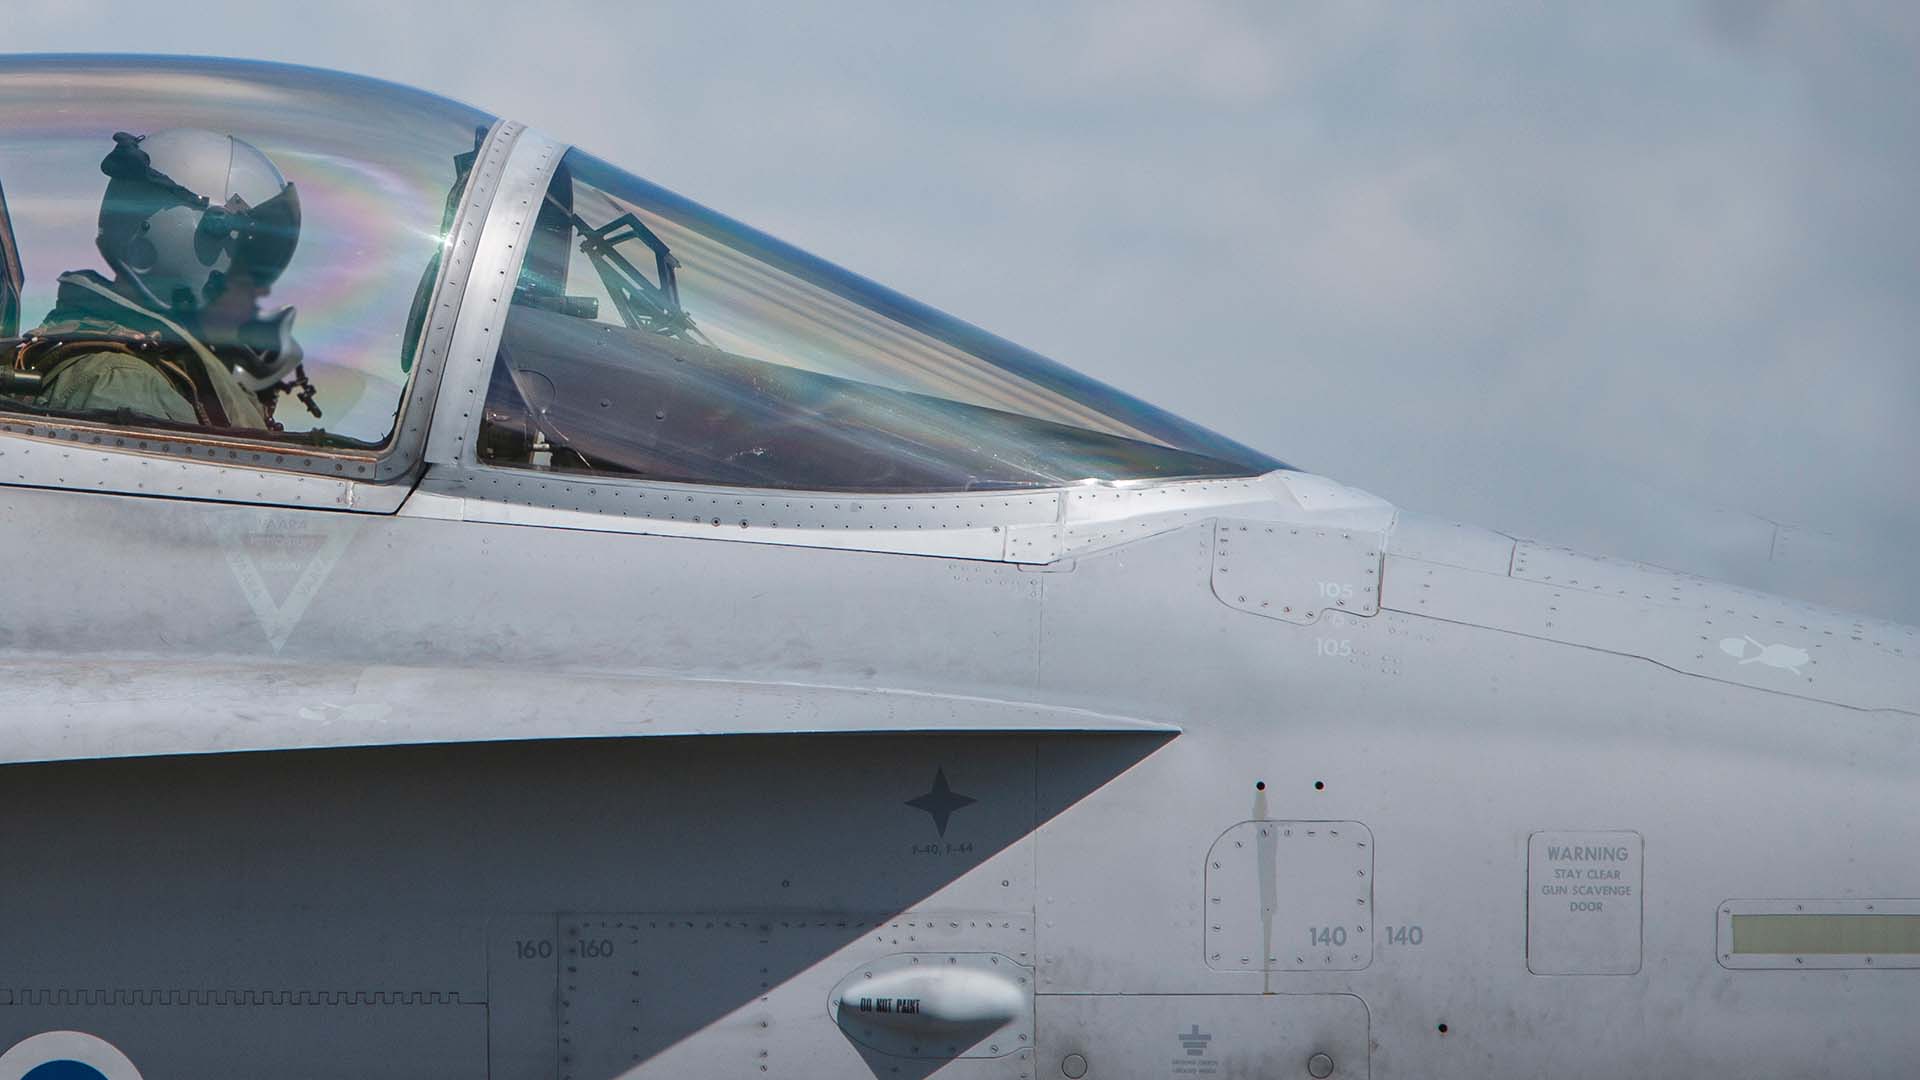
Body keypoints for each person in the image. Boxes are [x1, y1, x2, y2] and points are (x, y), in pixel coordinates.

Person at [4, 129, 306, 430]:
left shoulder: (160, 372)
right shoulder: (125, 386)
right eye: (247, 266)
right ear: (182, 241)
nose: (258, 288)